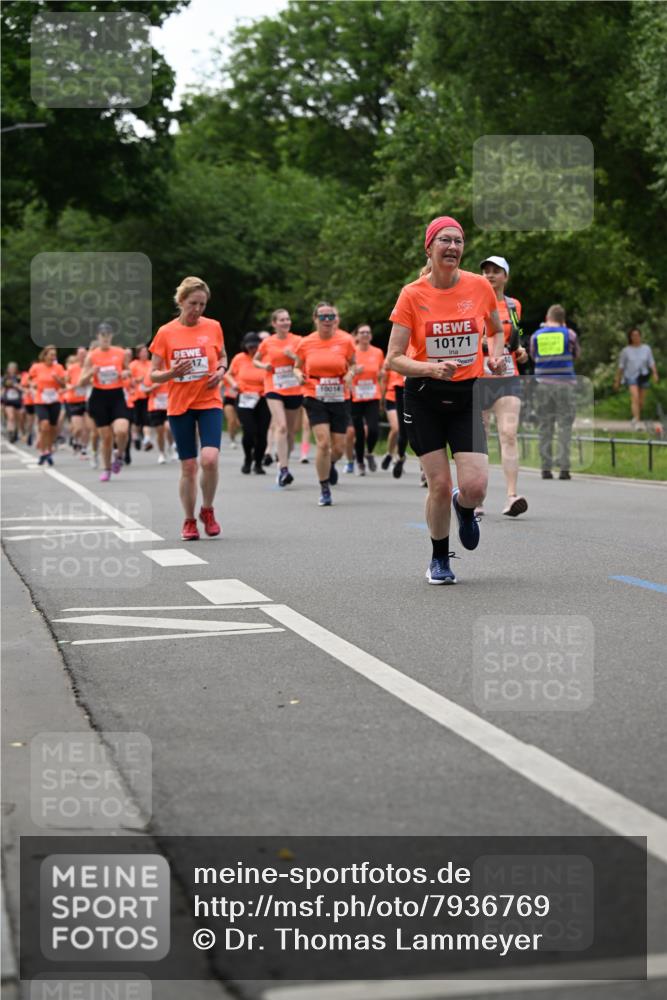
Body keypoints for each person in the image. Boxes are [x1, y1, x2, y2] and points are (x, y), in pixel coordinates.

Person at [386, 215, 505, 584]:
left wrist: (495, 355)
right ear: (430, 247)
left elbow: (496, 331)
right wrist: (429, 368)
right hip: (424, 396)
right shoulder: (412, 294)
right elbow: (393, 357)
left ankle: (464, 507)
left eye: (458, 241)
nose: (452, 247)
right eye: (445, 240)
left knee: (475, 487)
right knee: (437, 483)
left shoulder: (479, 287)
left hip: (467, 394)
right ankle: (439, 558)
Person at [149, 276, 227, 540]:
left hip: (209, 401)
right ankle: (189, 520)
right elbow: (153, 374)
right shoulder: (165, 332)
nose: (198, 309)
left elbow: (223, 355)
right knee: (189, 467)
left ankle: (208, 509)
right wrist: (171, 373)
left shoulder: (214, 326)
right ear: (181, 301)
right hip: (180, 405)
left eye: (202, 304)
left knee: (210, 459)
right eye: (193, 303)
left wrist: (221, 370)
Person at [477, 255, 529, 517]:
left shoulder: (513, 305)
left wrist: (521, 351)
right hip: (479, 379)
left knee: (508, 434)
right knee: (480, 439)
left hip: (508, 377)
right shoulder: (472, 304)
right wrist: (486, 347)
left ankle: (511, 496)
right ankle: (477, 499)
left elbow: (517, 335)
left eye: (495, 271)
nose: (489, 275)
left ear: (505, 276)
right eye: (486, 270)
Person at [294, 302, 356, 506]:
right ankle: (324, 488)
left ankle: (330, 464)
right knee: (323, 442)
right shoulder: (305, 342)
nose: (327, 320)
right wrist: (298, 376)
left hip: (339, 395)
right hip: (314, 394)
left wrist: (350, 373)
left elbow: (353, 364)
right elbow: (296, 366)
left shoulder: (346, 340)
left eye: (330, 316)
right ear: (315, 319)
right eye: (323, 317)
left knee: (338, 447)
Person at [529, 304, 580, 480]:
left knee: (545, 426)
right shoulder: (570, 334)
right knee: (565, 426)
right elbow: (576, 355)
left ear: (547, 318)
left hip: (543, 385)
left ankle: (546, 468)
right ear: (563, 320)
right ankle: (564, 469)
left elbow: (533, 356)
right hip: (565, 385)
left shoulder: (536, 336)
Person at [254, 308, 303, 486]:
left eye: (287, 319)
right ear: (274, 323)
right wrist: (263, 365)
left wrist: (294, 357)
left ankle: (283, 463)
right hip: (273, 386)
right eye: (281, 320)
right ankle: (283, 469)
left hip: (293, 388)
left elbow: (305, 362)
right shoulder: (268, 342)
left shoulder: (298, 340)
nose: (285, 322)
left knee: (290, 432)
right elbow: (255, 359)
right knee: (281, 426)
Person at [78, 323, 131, 482]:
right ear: (98, 337)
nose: (105, 338)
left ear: (111, 337)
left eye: (108, 335)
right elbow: (81, 381)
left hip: (117, 396)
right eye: (102, 335)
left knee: (122, 430)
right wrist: (90, 373)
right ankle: (107, 468)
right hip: (99, 397)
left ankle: (119, 455)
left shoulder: (121, 353)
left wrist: (126, 373)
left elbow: (128, 370)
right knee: (106, 438)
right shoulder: (92, 355)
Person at [227, 332, 271, 475]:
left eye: (255, 346)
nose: (253, 349)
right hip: (245, 397)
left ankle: (258, 463)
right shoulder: (239, 358)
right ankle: (247, 459)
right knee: (249, 431)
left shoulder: (265, 358)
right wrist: (234, 383)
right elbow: (228, 374)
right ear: (245, 346)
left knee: (262, 433)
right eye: (250, 346)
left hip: (263, 398)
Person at [349, 324, 385, 475]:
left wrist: (382, 396)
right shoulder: (351, 353)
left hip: (372, 396)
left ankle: (369, 452)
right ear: (356, 336)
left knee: (373, 429)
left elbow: (381, 375)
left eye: (368, 332)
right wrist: (352, 375)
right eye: (362, 332)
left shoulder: (377, 352)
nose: (365, 335)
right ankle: (359, 462)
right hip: (355, 397)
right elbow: (344, 373)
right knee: (359, 432)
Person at [28, 346, 67, 465]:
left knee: (52, 428)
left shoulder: (59, 368)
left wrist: (57, 379)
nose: (53, 357)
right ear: (44, 356)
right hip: (41, 400)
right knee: (44, 425)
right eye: (51, 354)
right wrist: (33, 386)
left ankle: (48, 450)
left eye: (54, 355)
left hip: (54, 400)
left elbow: (64, 384)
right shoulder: (37, 367)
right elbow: (29, 380)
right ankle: (43, 451)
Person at [613, 327, 659, 429]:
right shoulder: (626, 351)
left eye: (637, 335)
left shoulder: (646, 348)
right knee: (635, 397)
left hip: (643, 376)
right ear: (630, 337)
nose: (636, 337)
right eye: (633, 335)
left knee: (641, 402)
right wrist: (617, 380)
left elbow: (651, 362)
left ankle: (635, 417)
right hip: (631, 376)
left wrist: (655, 373)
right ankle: (637, 421)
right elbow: (621, 366)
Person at [381, 366, 408, 478]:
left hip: (410, 394)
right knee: (396, 428)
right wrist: (381, 398)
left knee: (408, 431)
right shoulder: (392, 358)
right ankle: (389, 453)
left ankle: (398, 456)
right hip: (392, 396)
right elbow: (383, 380)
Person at [129, 345, 153, 451]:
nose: (145, 354)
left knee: (147, 419)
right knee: (136, 421)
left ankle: (147, 439)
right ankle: (136, 437)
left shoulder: (151, 364)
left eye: (146, 352)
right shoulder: (133, 365)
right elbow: (130, 381)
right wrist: (140, 379)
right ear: (138, 354)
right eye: (142, 352)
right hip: (137, 396)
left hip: (149, 395)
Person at [2, 362, 23, 442]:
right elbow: (3, 389)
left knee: (17, 418)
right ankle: (10, 433)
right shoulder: (5, 378)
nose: (12, 370)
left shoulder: (18, 378)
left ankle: (16, 431)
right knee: (11, 417)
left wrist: (16, 386)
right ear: (8, 369)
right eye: (10, 368)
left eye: (13, 368)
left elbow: (23, 387)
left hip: (17, 400)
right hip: (8, 400)